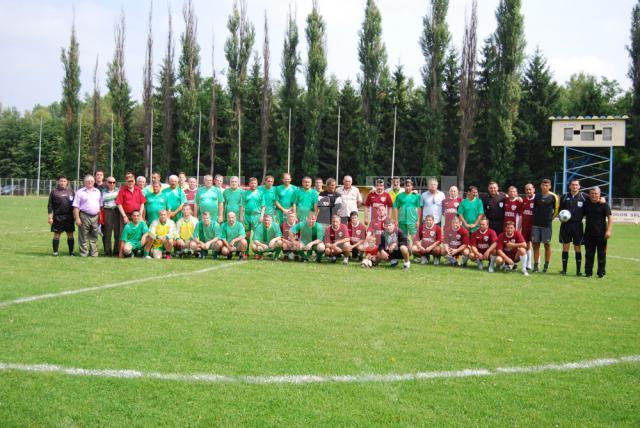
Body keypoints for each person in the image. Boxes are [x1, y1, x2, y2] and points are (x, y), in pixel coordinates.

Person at [558, 179, 587, 276]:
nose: (574, 186)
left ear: (579, 186)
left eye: (576, 185)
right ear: (569, 186)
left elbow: (595, 200)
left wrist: (602, 199)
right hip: (565, 225)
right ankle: (564, 270)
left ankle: (578, 271)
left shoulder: (584, 197)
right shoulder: (565, 196)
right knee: (565, 246)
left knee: (577, 247)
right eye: (573, 185)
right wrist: (560, 217)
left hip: (577, 225)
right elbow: (560, 211)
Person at [583, 187, 613, 278]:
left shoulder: (604, 205)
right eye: (592, 193)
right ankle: (588, 273)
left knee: (601, 255)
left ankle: (601, 274)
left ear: (599, 194)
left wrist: (609, 231)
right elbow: (579, 193)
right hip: (588, 234)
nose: (594, 195)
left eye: (596, 193)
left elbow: (610, 218)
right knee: (589, 255)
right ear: (589, 194)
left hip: (601, 234)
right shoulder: (586, 203)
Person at [531, 179, 559, 273]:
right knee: (535, 245)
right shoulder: (537, 196)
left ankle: (546, 266)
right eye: (543, 185)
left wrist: (550, 218)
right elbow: (534, 208)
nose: (545, 187)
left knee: (547, 245)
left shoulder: (553, 196)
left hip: (547, 225)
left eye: (547, 185)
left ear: (550, 186)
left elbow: (556, 210)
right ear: (541, 186)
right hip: (536, 224)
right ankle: (536, 266)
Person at [72, 174, 102, 257]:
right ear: (85, 182)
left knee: (94, 236)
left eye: (92, 181)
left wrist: (100, 217)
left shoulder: (97, 192)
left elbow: (100, 205)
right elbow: (76, 206)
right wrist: (77, 218)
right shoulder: (80, 192)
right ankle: (84, 253)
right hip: (84, 215)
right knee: (83, 236)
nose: (90, 182)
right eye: (88, 181)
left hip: (95, 216)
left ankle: (94, 253)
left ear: (94, 182)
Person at [47, 175, 75, 256]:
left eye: (64, 181)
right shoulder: (54, 192)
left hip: (69, 217)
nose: (62, 182)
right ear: (58, 182)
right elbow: (50, 205)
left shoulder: (71, 191)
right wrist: (50, 217)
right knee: (57, 234)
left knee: (70, 234)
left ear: (67, 182)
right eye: (61, 181)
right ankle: (55, 252)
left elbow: (75, 205)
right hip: (58, 217)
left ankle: (71, 252)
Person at [101, 176, 121, 257]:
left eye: (114, 182)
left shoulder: (119, 190)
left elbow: (119, 199)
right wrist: (115, 196)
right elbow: (103, 198)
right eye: (110, 182)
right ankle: (107, 252)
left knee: (117, 233)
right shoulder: (103, 191)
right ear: (106, 182)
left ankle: (116, 251)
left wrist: (110, 197)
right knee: (107, 233)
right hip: (107, 211)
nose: (112, 184)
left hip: (117, 211)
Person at [242, 177, 264, 244]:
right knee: (247, 234)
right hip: (247, 216)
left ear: (257, 184)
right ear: (249, 184)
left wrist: (262, 216)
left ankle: (258, 252)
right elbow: (242, 206)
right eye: (252, 183)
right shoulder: (245, 193)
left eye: (255, 183)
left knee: (257, 234)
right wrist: (242, 216)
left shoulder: (260, 193)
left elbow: (263, 206)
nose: (253, 184)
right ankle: (246, 252)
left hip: (257, 216)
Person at [521, 183, 536, 270]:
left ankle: (536, 264)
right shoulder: (523, 200)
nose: (528, 191)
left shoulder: (536, 200)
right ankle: (528, 263)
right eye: (527, 189)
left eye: (530, 189)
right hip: (525, 227)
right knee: (526, 245)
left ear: (533, 189)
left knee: (535, 245)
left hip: (534, 227)